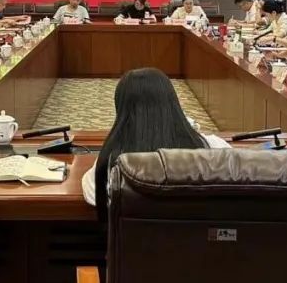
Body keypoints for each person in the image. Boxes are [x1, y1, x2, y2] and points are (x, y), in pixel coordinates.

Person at [82, 68, 229, 219]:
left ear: (122, 112)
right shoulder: (214, 147)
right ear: (173, 103)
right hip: (198, 233)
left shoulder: (112, 160)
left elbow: (92, 193)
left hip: (138, 234)